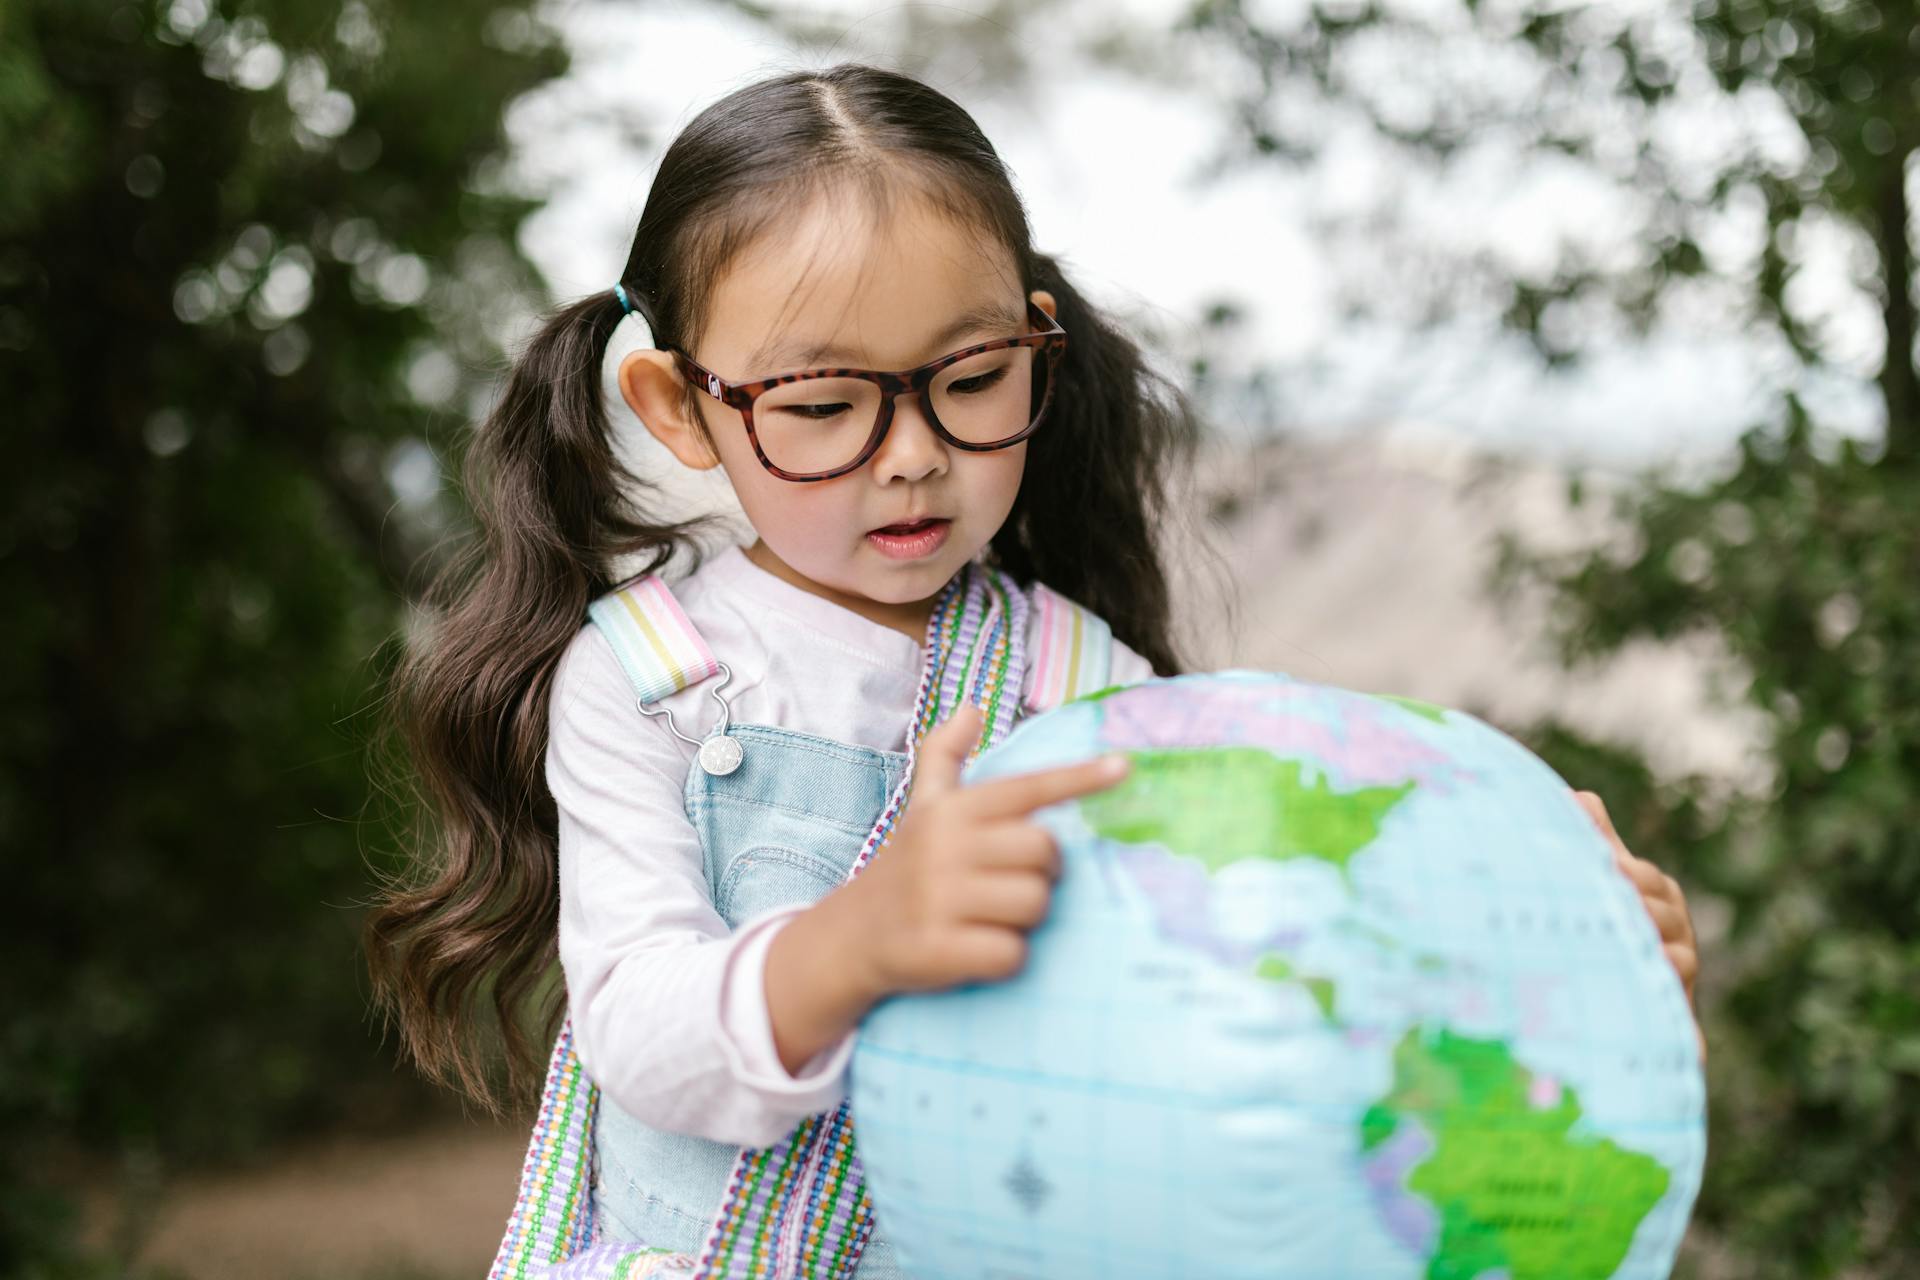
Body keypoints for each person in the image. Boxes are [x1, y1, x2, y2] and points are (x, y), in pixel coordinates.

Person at [363, 62, 1701, 1279]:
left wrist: (1563, 971)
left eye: (971, 377)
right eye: (824, 403)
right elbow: (642, 1034)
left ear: (1034, 347)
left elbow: (1245, 975)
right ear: (682, 407)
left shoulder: (1086, 684)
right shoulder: (651, 677)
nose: (910, 454)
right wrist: (856, 944)